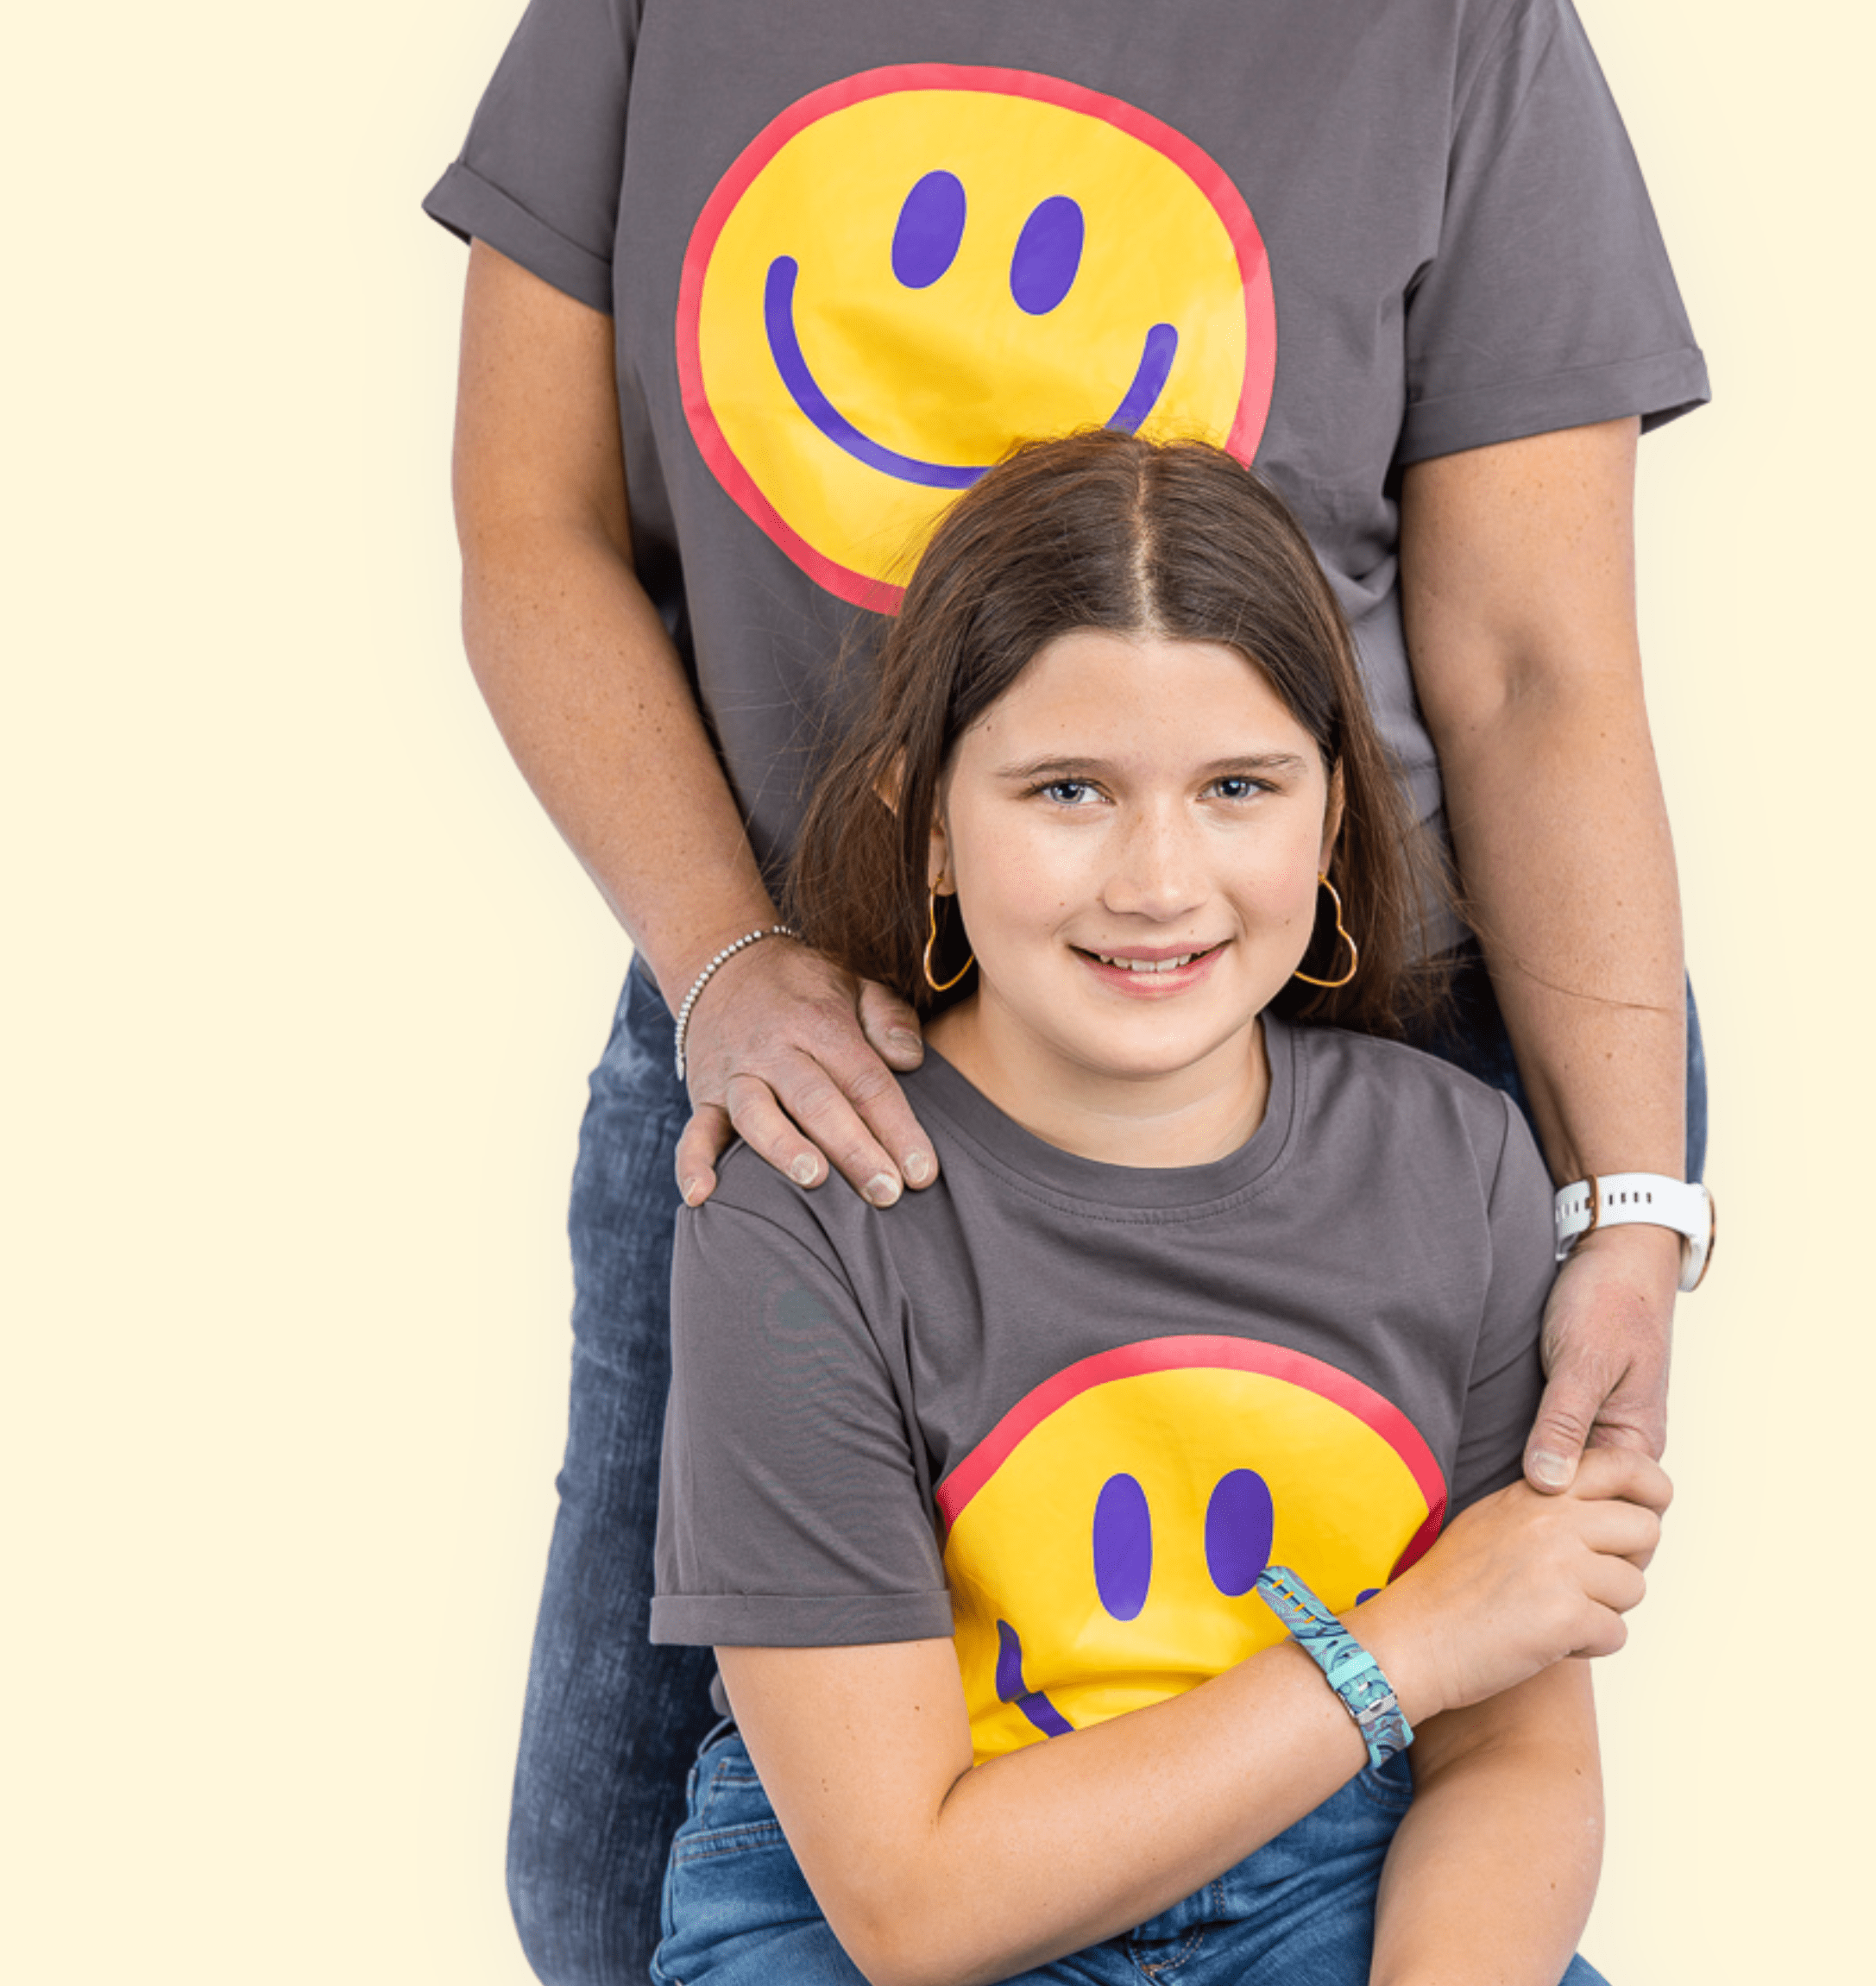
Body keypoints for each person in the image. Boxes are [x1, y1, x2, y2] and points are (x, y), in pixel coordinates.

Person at [432, 0, 1711, 1986]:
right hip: (820, 1081)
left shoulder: (1454, 16)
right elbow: (533, 531)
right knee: (617, 1856)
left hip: (1312, 1069)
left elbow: (1526, 677)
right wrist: (726, 957)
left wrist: (1631, 1191)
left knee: (1367, 1833)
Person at [651, 431, 1668, 1986]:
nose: (1157, 878)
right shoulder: (804, 1201)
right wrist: (1404, 1644)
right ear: (926, 819)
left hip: (1337, 1874)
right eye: (1067, 789)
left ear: (1331, 817)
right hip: (882, 1904)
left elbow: (1511, 1762)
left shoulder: (1455, 1164)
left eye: (1237, 788)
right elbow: (913, 1904)